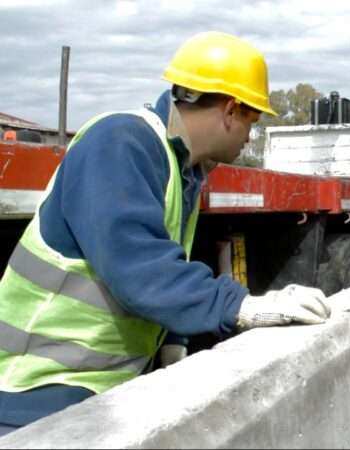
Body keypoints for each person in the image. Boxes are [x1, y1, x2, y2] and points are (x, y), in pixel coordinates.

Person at [0, 31, 331, 434]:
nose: (251, 135)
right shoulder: (121, 141)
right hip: (34, 393)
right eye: (253, 119)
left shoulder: (183, 169)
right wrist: (242, 307)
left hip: (93, 386)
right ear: (230, 110)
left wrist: (173, 341)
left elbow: (166, 259)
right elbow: (138, 267)